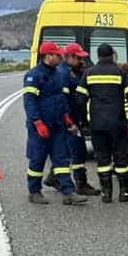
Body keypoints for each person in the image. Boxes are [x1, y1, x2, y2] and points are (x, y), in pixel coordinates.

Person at [77, 43, 128, 203]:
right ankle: (125, 192)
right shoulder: (120, 72)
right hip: (118, 123)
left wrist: (83, 121)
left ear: (97, 56)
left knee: (102, 158)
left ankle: (106, 193)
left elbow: (79, 100)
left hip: (97, 124)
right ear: (112, 55)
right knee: (121, 157)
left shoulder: (89, 73)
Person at [22, 42, 87, 205]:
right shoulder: (33, 76)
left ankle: (68, 192)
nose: (60, 57)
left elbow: (61, 98)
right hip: (41, 127)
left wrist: (67, 118)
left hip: (58, 125)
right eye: (57, 55)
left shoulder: (58, 74)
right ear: (48, 56)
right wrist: (37, 122)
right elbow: (29, 102)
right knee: (37, 159)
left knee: (62, 160)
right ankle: (34, 192)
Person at [43, 43, 100, 196]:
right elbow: (63, 100)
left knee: (67, 150)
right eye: (79, 58)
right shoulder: (62, 73)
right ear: (70, 57)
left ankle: (52, 177)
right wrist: (70, 122)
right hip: (67, 119)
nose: (82, 61)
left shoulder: (72, 71)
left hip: (73, 117)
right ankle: (81, 184)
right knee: (78, 150)